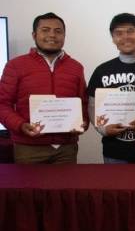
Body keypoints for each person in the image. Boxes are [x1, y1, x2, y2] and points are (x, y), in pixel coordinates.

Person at [0, 13, 88, 164]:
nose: (52, 35)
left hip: (66, 149)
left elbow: (83, 104)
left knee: (65, 188)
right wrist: (21, 125)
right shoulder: (15, 66)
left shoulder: (76, 67)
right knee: (29, 188)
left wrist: (83, 123)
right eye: (45, 30)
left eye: (58, 31)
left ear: (64, 35)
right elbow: (2, 104)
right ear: (34, 35)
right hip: (28, 148)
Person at [87, 13, 135, 163]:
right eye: (119, 33)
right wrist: (103, 129)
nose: (125, 37)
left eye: (130, 31)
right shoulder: (102, 71)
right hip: (114, 151)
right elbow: (92, 106)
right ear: (113, 38)